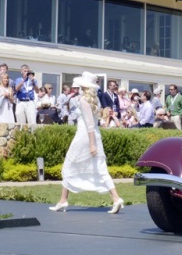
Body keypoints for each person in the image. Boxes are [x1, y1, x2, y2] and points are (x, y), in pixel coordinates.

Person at [49, 71, 125, 214]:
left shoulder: (84, 100)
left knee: (69, 164)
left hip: (85, 136)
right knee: (100, 168)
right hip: (92, 135)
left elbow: (90, 124)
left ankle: (63, 200)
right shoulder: (93, 100)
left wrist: (91, 144)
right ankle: (115, 198)